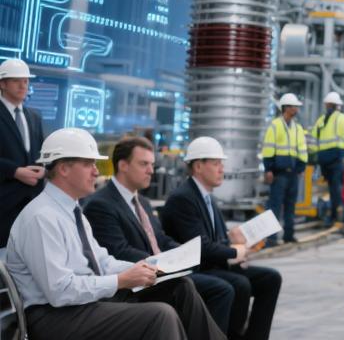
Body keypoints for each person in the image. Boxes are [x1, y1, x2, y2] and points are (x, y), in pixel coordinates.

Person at [5, 128, 225, 340]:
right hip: (55, 316)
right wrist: (120, 280)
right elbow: (60, 291)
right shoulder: (42, 218)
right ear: (63, 168)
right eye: (88, 164)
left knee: (179, 287)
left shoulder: (71, 211)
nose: (96, 172)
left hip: (79, 304)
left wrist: (147, 268)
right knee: (160, 315)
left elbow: (101, 262)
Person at [83, 137, 235, 332]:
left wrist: (184, 254)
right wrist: (164, 263)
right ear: (123, 165)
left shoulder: (143, 202)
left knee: (202, 285)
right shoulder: (101, 204)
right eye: (144, 164)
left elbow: (160, 239)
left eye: (152, 164)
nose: (151, 170)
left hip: (156, 274)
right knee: (204, 288)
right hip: (134, 283)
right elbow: (119, 251)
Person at [161, 136, 283, 340]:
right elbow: (200, 246)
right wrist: (235, 252)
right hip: (197, 268)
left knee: (271, 278)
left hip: (213, 264)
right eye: (216, 163)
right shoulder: (183, 198)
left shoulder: (208, 197)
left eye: (222, 164)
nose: (221, 169)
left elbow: (214, 240)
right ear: (198, 166)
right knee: (239, 284)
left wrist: (233, 240)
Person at [0, 58, 45, 252]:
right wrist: (14, 171)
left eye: (26, 81)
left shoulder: (34, 116)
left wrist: (43, 169)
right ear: (2, 84)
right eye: (16, 80)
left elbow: (41, 153)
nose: (23, 85)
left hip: (32, 203)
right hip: (4, 204)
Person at [261, 93, 307, 245]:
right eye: (294, 106)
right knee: (274, 206)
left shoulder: (298, 128)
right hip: (278, 173)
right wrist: (268, 169)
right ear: (286, 108)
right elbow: (268, 148)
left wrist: (301, 167)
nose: (297, 109)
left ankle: (288, 235)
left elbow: (302, 149)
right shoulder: (275, 125)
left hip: (293, 173)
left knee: (290, 206)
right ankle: (271, 239)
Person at [309, 91, 344, 226]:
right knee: (335, 189)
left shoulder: (327, 119)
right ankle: (339, 216)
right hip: (332, 160)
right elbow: (314, 138)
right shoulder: (330, 119)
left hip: (333, 160)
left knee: (336, 189)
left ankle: (341, 216)